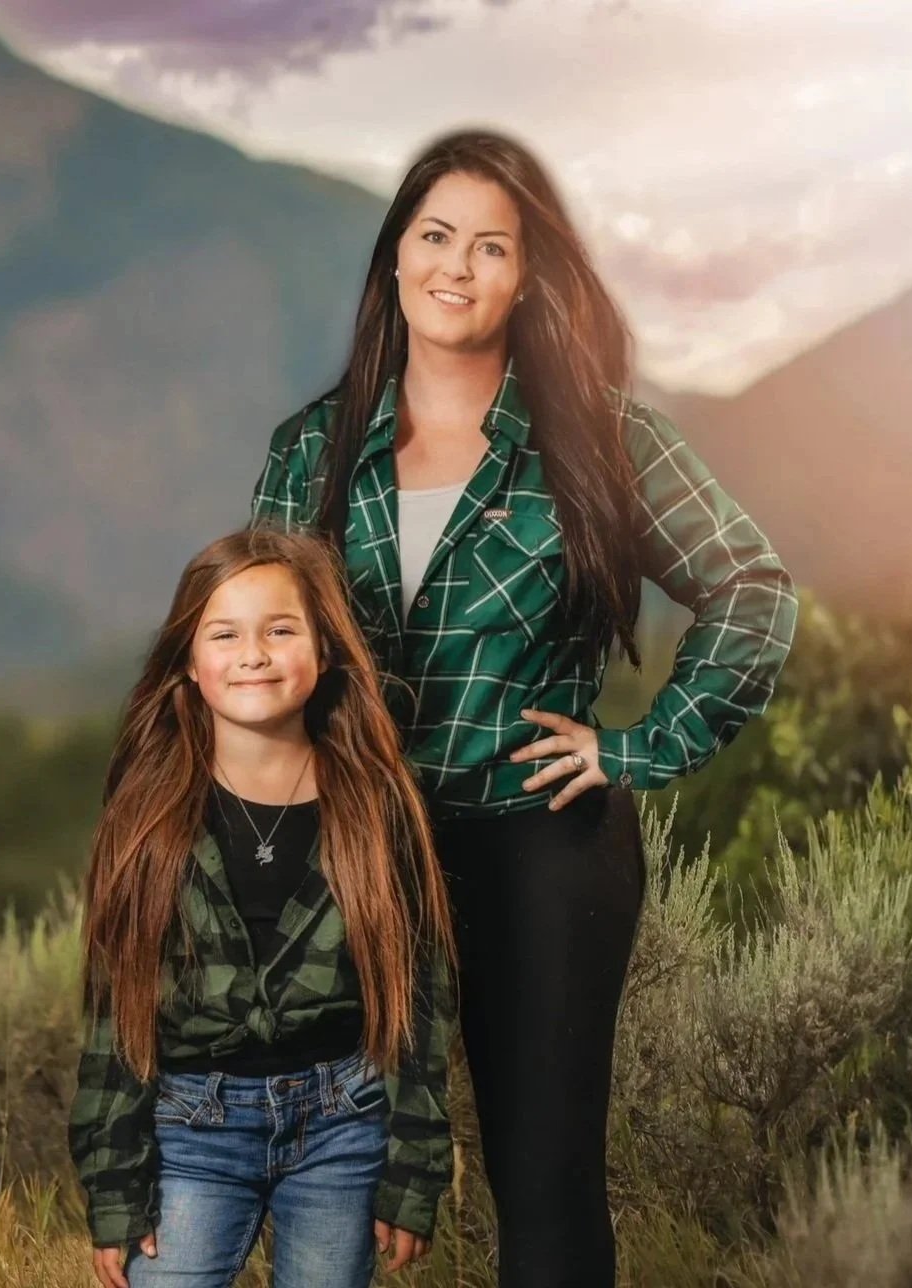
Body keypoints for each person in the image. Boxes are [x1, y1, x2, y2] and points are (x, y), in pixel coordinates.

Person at [250, 130, 799, 1287]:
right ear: (394, 259)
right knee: (316, 1165)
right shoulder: (309, 452)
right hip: (349, 843)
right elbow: (254, 651)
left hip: (537, 837)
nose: (456, 266)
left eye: (490, 246)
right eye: (434, 236)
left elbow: (750, 589)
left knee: (541, 1187)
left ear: (527, 276)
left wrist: (642, 742)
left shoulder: (600, 437)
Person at [68, 526, 456, 1288]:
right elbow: (116, 1010)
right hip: (190, 1131)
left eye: (281, 629)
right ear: (188, 660)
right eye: (225, 633)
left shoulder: (376, 805)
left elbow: (421, 1001)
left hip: (344, 1123)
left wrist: (413, 1172)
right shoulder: (149, 816)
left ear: (324, 648)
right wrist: (115, 1191)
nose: (254, 653)